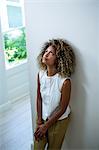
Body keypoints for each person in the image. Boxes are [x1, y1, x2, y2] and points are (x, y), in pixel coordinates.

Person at [34, 38, 76, 150]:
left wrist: (46, 126)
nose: (46, 54)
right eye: (46, 51)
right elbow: (39, 98)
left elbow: (62, 108)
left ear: (59, 59)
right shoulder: (40, 74)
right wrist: (39, 121)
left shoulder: (64, 81)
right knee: (37, 147)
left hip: (59, 121)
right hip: (42, 119)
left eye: (51, 53)